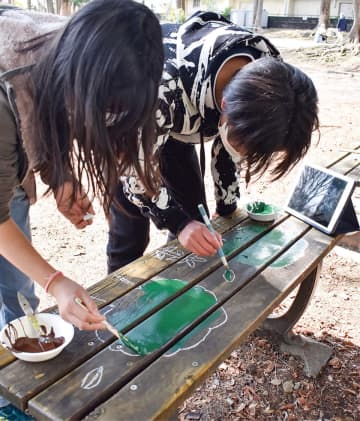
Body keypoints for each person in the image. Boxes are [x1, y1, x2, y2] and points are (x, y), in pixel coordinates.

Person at [0, 0, 162, 392]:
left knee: (16, 281)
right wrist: (55, 281)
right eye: (104, 110)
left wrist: (61, 179)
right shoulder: (10, 81)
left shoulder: (89, 52)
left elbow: (46, 114)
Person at [107, 11, 319, 273]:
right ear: (224, 107)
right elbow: (135, 174)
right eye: (247, 147)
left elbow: (235, 142)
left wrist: (226, 207)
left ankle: (183, 288)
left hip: (184, 118)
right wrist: (178, 223)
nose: (249, 156)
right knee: (130, 230)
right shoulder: (161, 88)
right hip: (131, 121)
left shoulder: (271, 75)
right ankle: (114, 308)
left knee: (198, 218)